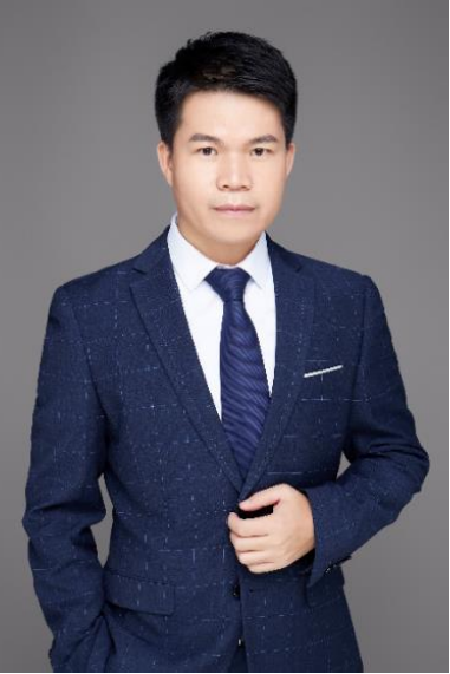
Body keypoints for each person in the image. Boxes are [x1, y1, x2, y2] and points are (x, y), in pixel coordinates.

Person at [21, 30, 430, 673]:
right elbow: (55, 514)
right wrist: (88, 662)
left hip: (310, 652)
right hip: (148, 657)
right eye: (207, 149)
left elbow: (397, 455)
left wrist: (319, 520)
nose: (235, 178)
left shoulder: (344, 301)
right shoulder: (91, 313)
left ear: (289, 157)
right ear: (167, 158)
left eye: (259, 150)